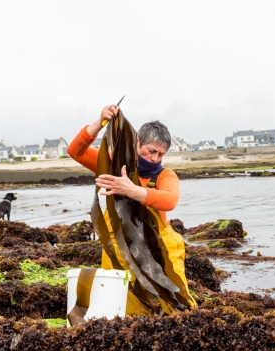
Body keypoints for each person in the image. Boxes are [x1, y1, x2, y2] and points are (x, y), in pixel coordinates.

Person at [67, 104, 195, 316]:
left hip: (161, 244)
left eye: (161, 154)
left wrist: (133, 190)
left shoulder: (164, 176)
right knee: (125, 300)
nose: (155, 158)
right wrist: (100, 123)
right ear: (137, 142)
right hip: (118, 243)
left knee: (176, 297)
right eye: (151, 151)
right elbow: (75, 151)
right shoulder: (111, 166)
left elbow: (170, 200)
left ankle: (186, 326)